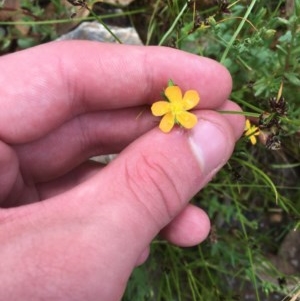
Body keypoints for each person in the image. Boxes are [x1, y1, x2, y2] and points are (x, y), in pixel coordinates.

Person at [0, 41, 245, 300]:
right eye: (174, 105)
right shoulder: (166, 111)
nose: (176, 107)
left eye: (178, 106)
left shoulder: (185, 109)